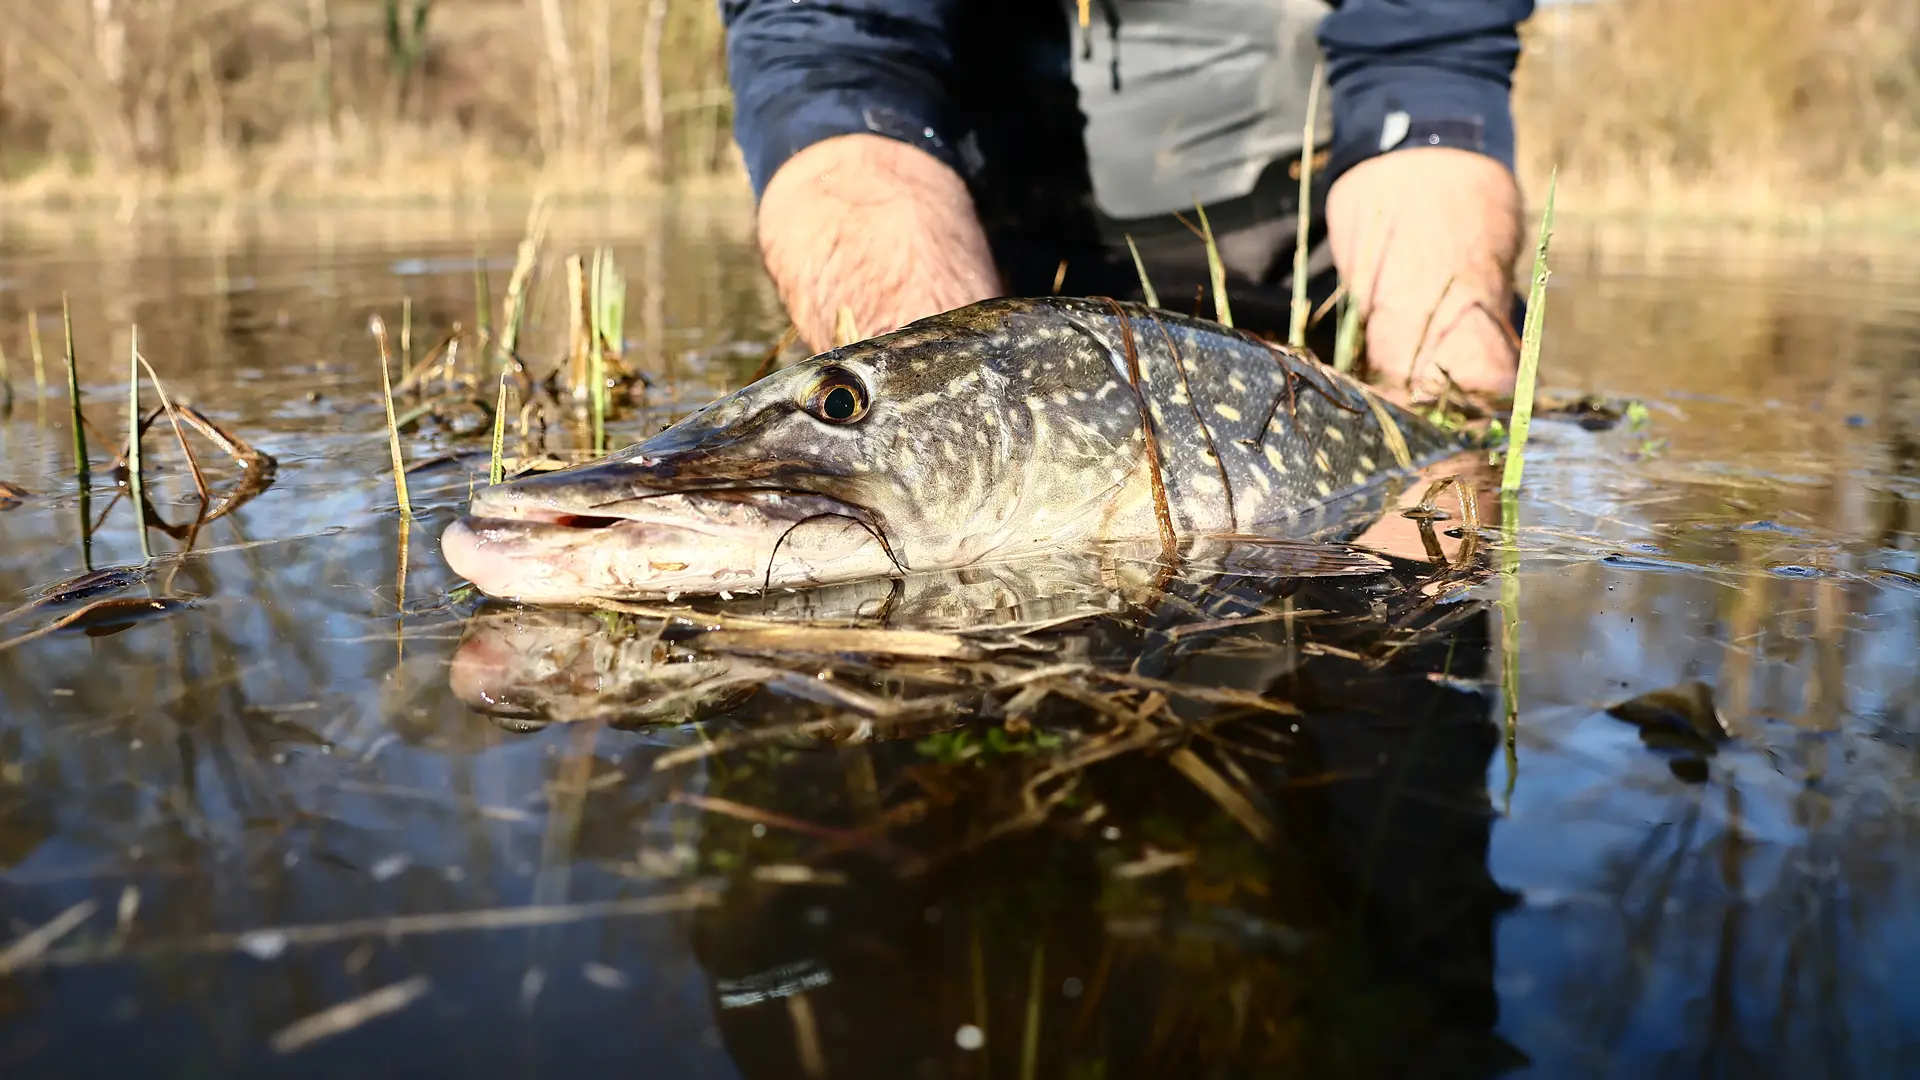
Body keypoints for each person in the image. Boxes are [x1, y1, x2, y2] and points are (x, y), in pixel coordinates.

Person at [718, 0, 1535, 406]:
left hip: (1300, 250)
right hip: (966, 239)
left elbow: (1424, 64)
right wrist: (938, 406)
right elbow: (834, 60)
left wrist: (1450, 405)